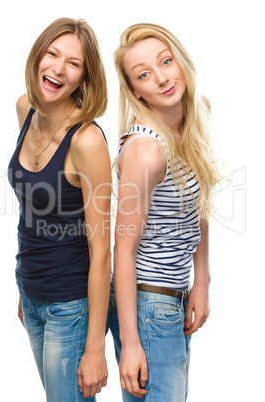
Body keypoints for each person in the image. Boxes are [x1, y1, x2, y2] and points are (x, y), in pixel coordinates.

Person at [109, 23, 220, 401]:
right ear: (136, 91)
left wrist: (202, 280)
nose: (161, 78)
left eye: (166, 62)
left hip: (174, 295)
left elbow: (197, 203)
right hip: (147, 305)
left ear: (180, 61)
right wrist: (130, 344)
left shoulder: (198, 113)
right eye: (144, 74)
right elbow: (122, 250)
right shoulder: (147, 151)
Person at [8, 18, 111, 401]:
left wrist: (95, 347)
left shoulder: (86, 141)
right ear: (38, 56)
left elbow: (102, 251)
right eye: (52, 54)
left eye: (74, 63)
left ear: (84, 78)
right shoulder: (25, 110)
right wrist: (25, 291)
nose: (57, 68)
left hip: (70, 306)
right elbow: (32, 210)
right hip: (32, 293)